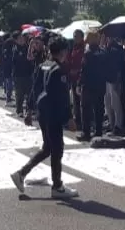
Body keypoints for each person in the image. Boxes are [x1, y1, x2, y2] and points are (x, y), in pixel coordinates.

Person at [10, 38, 79, 199]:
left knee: (48, 147)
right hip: (53, 113)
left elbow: (35, 88)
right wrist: (69, 117)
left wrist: (29, 110)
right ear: (62, 52)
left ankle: (21, 173)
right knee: (57, 149)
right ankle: (57, 186)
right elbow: (62, 96)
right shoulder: (58, 70)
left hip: (42, 112)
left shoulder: (43, 65)